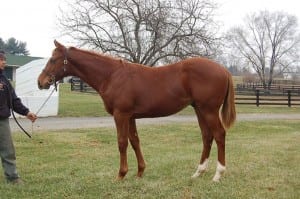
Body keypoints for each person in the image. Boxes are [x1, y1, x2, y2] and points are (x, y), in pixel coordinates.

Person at [0, 50, 37, 184]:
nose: (4, 61)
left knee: (8, 150)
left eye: (4, 59)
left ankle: (13, 178)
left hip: (2, 122)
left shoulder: (4, 80)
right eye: (1, 59)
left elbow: (14, 100)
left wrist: (27, 112)